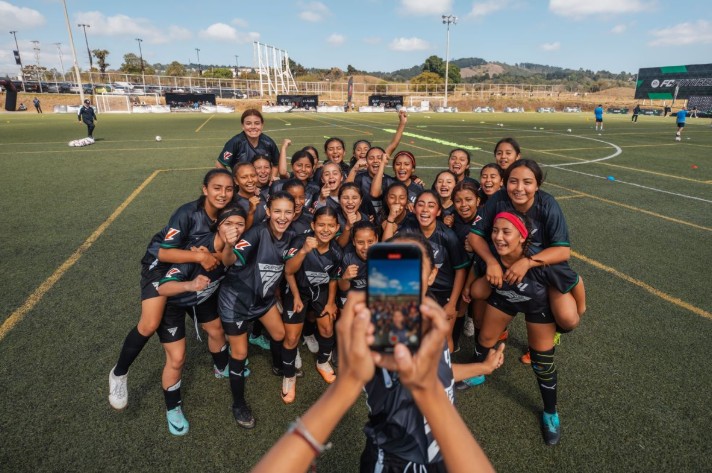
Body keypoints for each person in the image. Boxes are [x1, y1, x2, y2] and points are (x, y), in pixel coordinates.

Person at [251, 243, 500, 472]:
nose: (402, 281)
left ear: (432, 275)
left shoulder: (430, 328)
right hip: (394, 462)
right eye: (393, 272)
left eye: (411, 269)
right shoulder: (379, 343)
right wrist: (347, 385)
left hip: (442, 453)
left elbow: (443, 373)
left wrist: (482, 367)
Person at [108, 169, 235, 411]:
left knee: (213, 325)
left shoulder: (228, 213)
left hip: (189, 268)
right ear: (205, 189)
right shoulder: (187, 213)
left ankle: (222, 365)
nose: (223, 194)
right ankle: (119, 374)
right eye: (217, 188)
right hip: (161, 266)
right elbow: (164, 253)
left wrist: (209, 257)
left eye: (229, 189)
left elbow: (226, 251)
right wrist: (200, 257)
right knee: (150, 324)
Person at [470, 211, 585, 446]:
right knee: (485, 337)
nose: (498, 237)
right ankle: (478, 372)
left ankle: (550, 412)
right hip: (505, 299)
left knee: (541, 362)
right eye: (495, 231)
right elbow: (478, 282)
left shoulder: (541, 262)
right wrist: (488, 272)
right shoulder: (491, 255)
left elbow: (575, 280)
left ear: (522, 237)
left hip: (538, 307)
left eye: (506, 232)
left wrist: (581, 308)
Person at [153, 205, 246, 435]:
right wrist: (190, 285)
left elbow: (227, 260)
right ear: (217, 225)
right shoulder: (197, 251)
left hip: (202, 296)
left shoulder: (232, 248)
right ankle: (172, 407)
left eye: (240, 224)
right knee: (177, 358)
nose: (234, 229)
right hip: (175, 302)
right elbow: (163, 288)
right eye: (228, 224)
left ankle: (221, 367)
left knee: (216, 330)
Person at [218, 191, 297, 429]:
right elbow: (228, 261)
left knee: (279, 334)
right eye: (277, 211)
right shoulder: (256, 232)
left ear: (295, 213)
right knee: (239, 354)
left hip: (262, 300)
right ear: (268, 212)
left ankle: (277, 365)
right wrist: (228, 246)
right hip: (236, 302)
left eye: (288, 212)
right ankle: (238, 404)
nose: (282, 217)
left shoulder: (291, 236)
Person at [283, 206, 343, 402]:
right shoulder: (300, 241)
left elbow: (333, 278)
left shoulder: (336, 251)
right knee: (291, 338)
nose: (325, 230)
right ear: (313, 225)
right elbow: (289, 271)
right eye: (321, 225)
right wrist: (304, 251)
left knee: (327, 328)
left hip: (320, 291)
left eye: (331, 226)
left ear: (337, 228)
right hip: (296, 291)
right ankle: (289, 375)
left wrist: (331, 302)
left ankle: (322, 362)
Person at [216, 109, 279, 177]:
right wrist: (231, 180)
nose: (253, 127)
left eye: (257, 123)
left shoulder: (269, 142)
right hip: (242, 183)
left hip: (262, 182)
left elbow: (276, 164)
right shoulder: (235, 142)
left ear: (262, 125)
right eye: (248, 123)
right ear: (243, 126)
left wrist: (272, 180)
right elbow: (220, 163)